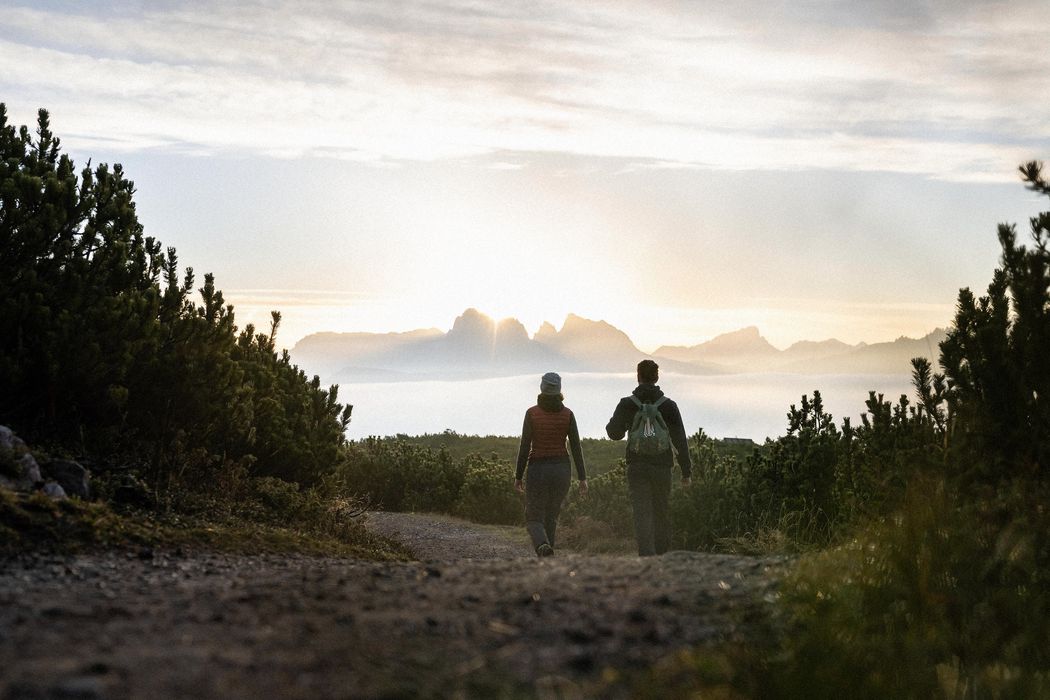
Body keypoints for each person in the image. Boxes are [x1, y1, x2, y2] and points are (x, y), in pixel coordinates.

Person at [606, 359, 692, 556]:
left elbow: (614, 433)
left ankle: (646, 556)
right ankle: (661, 555)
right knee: (661, 510)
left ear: (638, 377)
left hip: (637, 465)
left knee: (642, 512)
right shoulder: (669, 406)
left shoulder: (627, 404)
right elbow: (680, 440)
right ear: (657, 377)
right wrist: (686, 471)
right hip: (662, 466)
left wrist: (622, 422)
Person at [514, 372, 588, 557]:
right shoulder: (568, 414)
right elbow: (576, 447)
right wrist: (582, 478)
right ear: (559, 390)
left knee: (533, 517)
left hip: (538, 469)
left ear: (542, 388)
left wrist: (518, 476)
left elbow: (525, 446)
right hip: (562, 470)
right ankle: (548, 556)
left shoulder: (532, 413)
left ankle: (542, 546)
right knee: (551, 515)